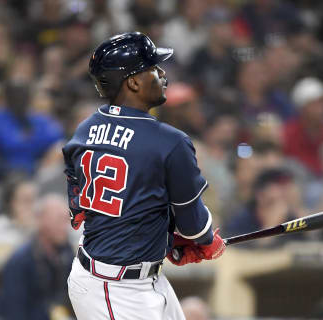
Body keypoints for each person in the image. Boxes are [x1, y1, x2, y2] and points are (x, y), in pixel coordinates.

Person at [62, 32, 225, 320]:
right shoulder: (170, 141)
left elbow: (94, 204)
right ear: (133, 81)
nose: (162, 74)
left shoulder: (84, 129)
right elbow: (195, 227)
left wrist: (166, 239)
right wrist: (203, 240)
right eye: (153, 67)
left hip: (131, 274)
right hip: (114, 288)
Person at [0, 193, 74, 320]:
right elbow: (14, 311)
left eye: (67, 220)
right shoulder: (20, 261)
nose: (66, 227)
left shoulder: (67, 254)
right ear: (41, 219)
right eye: (60, 220)